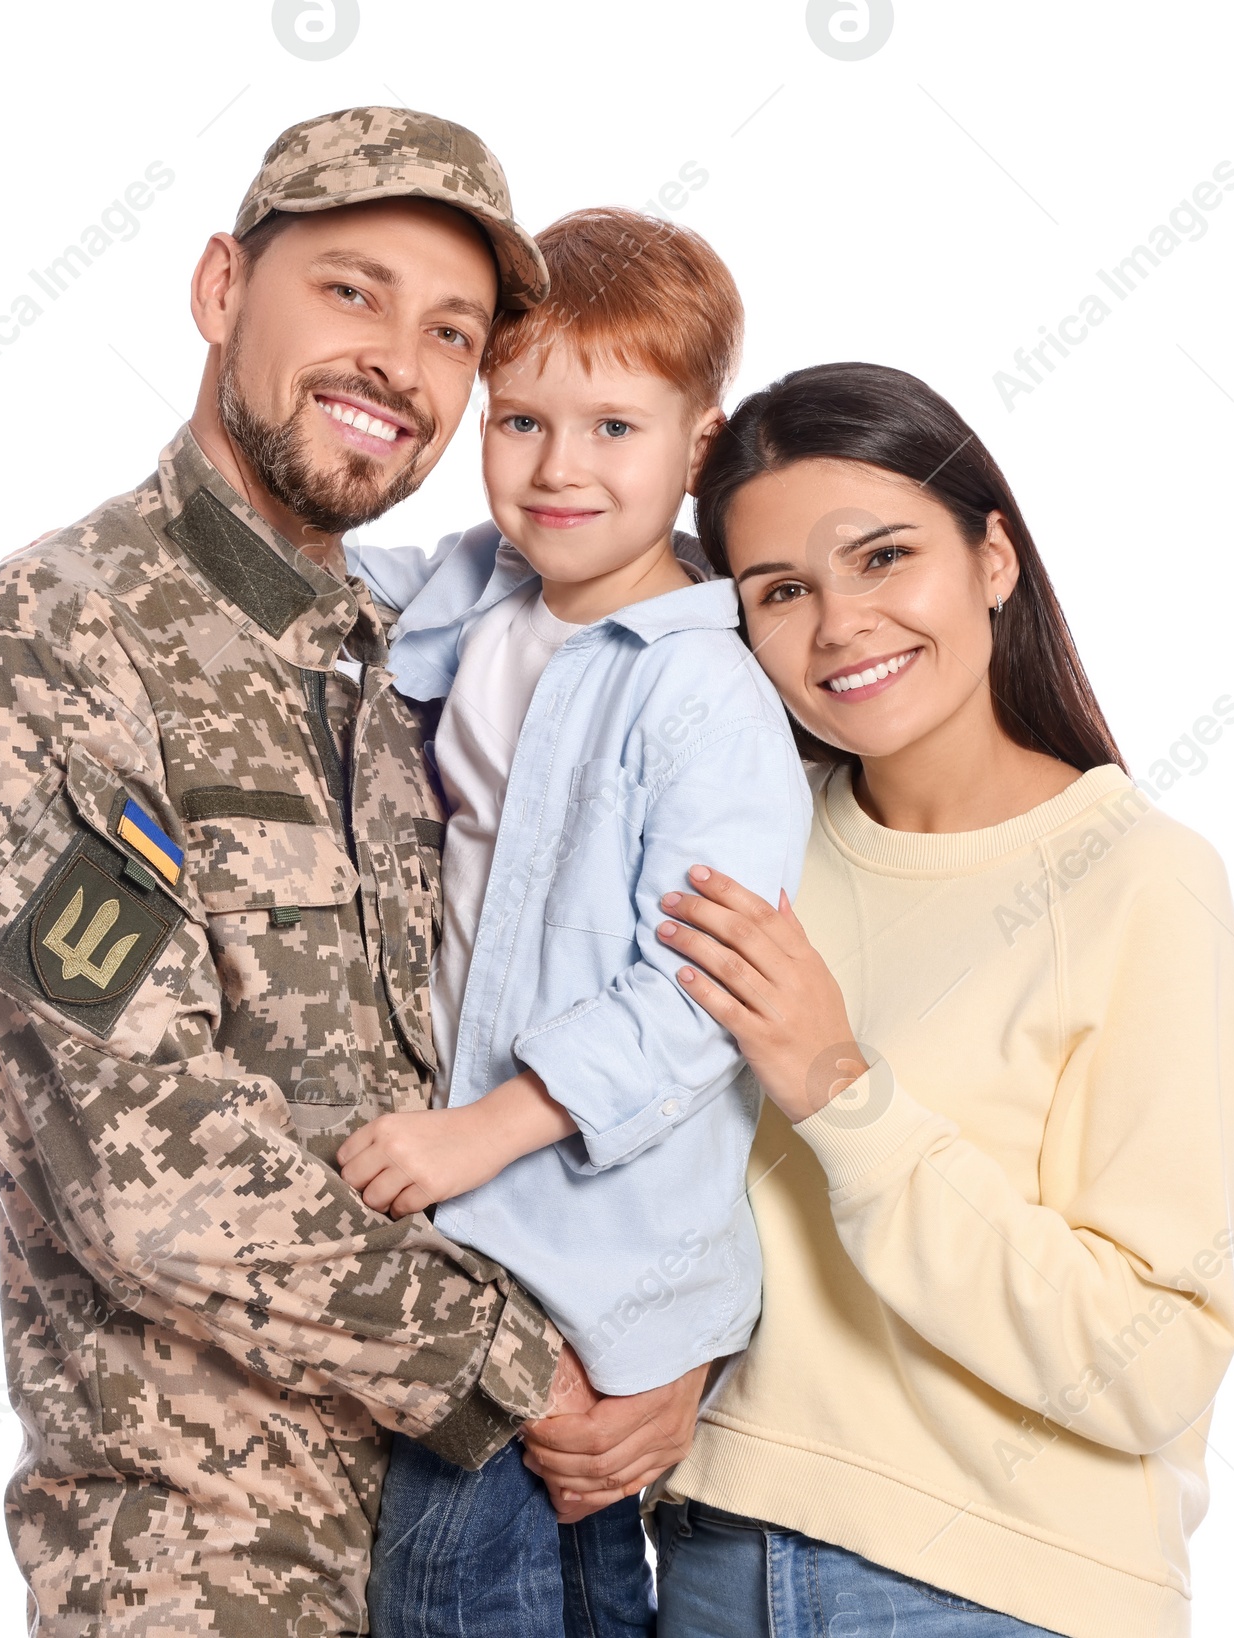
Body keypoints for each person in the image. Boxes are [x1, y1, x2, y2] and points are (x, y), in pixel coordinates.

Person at [0, 105, 650, 1637]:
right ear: (221, 287)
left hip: (470, 1546)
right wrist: (526, 1363)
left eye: (452, 331)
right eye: (351, 292)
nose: (399, 361)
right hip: (213, 1565)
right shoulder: (53, 640)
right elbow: (148, 1170)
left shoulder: (405, 662)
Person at [526, 363, 1234, 1637]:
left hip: (989, 1587)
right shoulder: (743, 855)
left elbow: (1152, 1357)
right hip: (705, 1558)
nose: (841, 623)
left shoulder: (1143, 882)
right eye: (783, 591)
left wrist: (838, 1089)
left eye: (882, 558)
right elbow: (682, 1206)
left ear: (993, 559)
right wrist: (672, 1375)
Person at [336, 208, 812, 1637]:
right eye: (522, 419)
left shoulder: (703, 690)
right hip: (480, 1241)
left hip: (571, 1254)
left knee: (452, 1590)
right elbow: (335, 589)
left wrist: (487, 1126)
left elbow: (701, 987)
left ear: (697, 441)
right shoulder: (481, 590)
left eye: (614, 427)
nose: (559, 470)